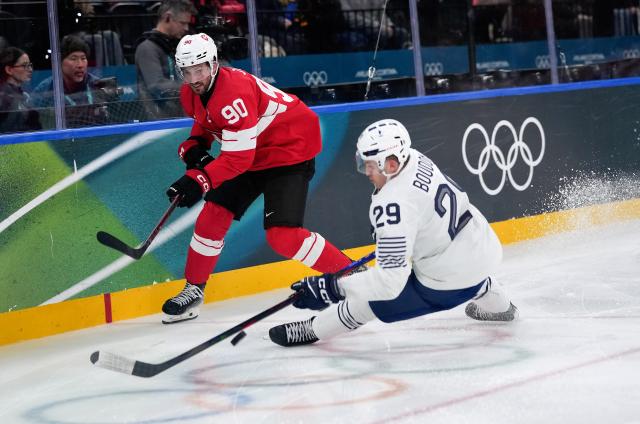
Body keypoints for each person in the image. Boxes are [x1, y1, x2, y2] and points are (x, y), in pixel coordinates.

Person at [269, 119, 518, 347]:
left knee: (366, 304)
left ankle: (313, 329)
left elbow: (388, 284)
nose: (366, 172)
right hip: (483, 244)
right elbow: (421, 213)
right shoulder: (415, 157)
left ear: (391, 163)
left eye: (369, 165)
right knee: (471, 277)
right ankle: (501, 304)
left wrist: (332, 287)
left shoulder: (392, 205)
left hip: (447, 278)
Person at [161, 33, 353, 324]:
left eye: (199, 69)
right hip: (253, 150)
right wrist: (195, 146)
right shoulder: (191, 93)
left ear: (213, 65)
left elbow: (238, 159)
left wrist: (199, 179)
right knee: (213, 215)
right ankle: (194, 289)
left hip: (289, 149)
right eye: (186, 72)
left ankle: (353, 278)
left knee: (283, 236)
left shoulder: (232, 93)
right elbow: (208, 123)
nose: (193, 77)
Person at [134, 0, 196, 120]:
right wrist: (194, 86)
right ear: (168, 17)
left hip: (180, 118)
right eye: (182, 23)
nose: (186, 28)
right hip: (158, 123)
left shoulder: (177, 44)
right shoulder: (147, 48)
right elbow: (156, 86)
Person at [32, 35, 112, 127]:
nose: (80, 65)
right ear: (60, 62)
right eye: (73, 59)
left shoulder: (98, 85)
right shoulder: (45, 90)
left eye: (83, 58)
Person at [0, 47, 41, 133]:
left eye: (30, 65)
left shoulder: (23, 95)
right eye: (24, 65)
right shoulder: (3, 97)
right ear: (9, 70)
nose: (30, 69)